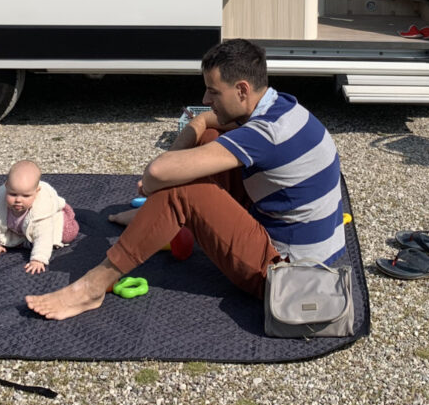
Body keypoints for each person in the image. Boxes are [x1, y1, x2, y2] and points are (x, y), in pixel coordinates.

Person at [25, 39, 344, 321]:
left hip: (289, 276)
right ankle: (161, 219)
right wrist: (200, 127)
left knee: (182, 191)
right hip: (305, 245)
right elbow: (203, 124)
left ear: (243, 89)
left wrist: (154, 189)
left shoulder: (265, 133)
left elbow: (157, 172)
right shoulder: (279, 106)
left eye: (213, 91)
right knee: (206, 139)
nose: (206, 98)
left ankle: (91, 287)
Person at [0, 159, 79, 274]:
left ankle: (64, 212)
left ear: (36, 192)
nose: (18, 200)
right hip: (21, 227)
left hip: (54, 221)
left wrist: (38, 259)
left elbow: (43, 237)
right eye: (13, 194)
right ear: (6, 187)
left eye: (26, 195)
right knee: (21, 240)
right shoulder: (0, 205)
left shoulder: (41, 211)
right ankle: (24, 236)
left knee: (67, 234)